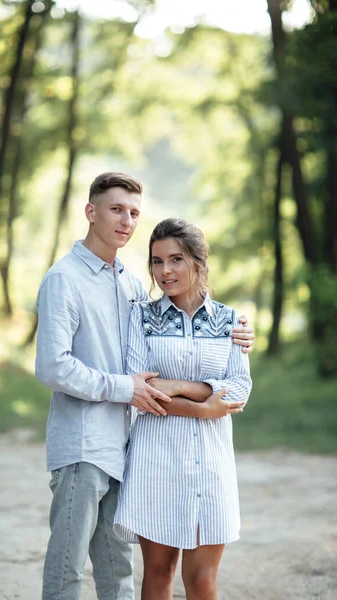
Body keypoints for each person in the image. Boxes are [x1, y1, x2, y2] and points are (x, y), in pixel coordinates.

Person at [35, 173, 255, 600]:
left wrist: (239, 336)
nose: (127, 221)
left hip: (122, 449)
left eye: (134, 212)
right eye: (117, 209)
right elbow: (53, 367)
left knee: (118, 572)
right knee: (67, 569)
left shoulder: (129, 284)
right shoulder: (65, 279)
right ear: (91, 211)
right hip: (82, 444)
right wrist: (132, 389)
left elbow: (226, 378)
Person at [113, 218, 252, 600]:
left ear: (198, 261)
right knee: (158, 574)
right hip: (155, 461)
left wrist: (179, 386)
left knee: (203, 581)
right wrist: (203, 407)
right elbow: (142, 387)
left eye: (175, 259)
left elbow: (239, 387)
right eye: (157, 262)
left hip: (211, 464)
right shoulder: (142, 317)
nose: (165, 271)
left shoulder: (230, 320)